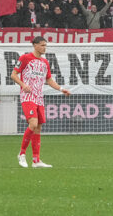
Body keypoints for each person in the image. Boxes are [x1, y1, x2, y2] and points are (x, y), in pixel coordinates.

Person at [10, 35, 70, 168]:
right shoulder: (25, 58)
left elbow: (49, 80)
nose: (44, 48)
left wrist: (61, 89)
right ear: (35, 45)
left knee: (38, 128)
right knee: (33, 123)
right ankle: (22, 153)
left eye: (45, 45)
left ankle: (36, 160)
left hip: (39, 97)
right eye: (42, 45)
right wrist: (23, 85)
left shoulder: (45, 62)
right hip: (28, 97)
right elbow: (13, 74)